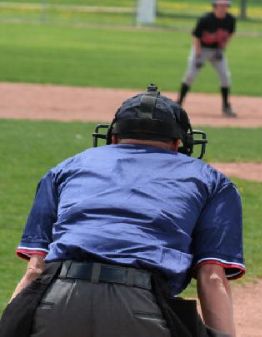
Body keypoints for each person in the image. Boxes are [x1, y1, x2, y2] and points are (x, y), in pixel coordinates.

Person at [0, 84, 244, 337]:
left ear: (113, 138)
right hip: (143, 305)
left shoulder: (66, 168)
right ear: (175, 143)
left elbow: (35, 269)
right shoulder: (212, 180)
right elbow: (212, 278)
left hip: (56, 297)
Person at [178, 0, 237, 118]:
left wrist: (222, 48)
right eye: (221, 5)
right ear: (215, 6)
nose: (224, 8)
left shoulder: (230, 20)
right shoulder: (206, 19)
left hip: (216, 50)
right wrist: (198, 55)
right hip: (201, 49)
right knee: (190, 76)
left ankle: (226, 106)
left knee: (225, 76)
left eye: (226, 6)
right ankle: (178, 104)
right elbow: (196, 36)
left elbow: (230, 33)